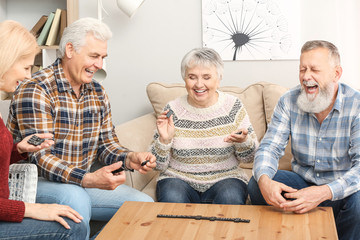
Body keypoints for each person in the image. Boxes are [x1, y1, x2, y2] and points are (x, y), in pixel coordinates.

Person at [7, 18, 156, 239]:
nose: (99, 65)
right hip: (36, 183)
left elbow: (107, 144)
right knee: (75, 199)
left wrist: (130, 157)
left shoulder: (97, 92)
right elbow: (40, 157)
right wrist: (88, 179)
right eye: (94, 56)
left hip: (80, 181)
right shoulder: (37, 89)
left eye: (103, 58)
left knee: (145, 206)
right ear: (70, 50)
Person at [248, 40, 360, 239]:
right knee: (257, 183)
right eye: (302, 69)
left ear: (336, 74)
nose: (306, 76)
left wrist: (324, 192)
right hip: (302, 184)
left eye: (315, 70)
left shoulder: (356, 105)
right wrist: (265, 180)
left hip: (340, 190)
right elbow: (269, 148)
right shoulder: (288, 100)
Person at [0, 20, 86, 240]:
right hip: (6, 212)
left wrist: (18, 148)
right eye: (27, 67)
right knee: (72, 228)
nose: (29, 75)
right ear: (6, 61)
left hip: (6, 211)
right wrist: (31, 209)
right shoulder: (36, 89)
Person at [150, 47, 259, 204]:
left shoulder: (233, 107)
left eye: (207, 77)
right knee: (172, 198)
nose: (199, 84)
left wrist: (243, 142)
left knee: (231, 198)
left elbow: (250, 158)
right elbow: (158, 166)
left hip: (226, 178)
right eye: (192, 77)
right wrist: (164, 141)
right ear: (184, 79)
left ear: (218, 79)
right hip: (178, 178)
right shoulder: (172, 109)